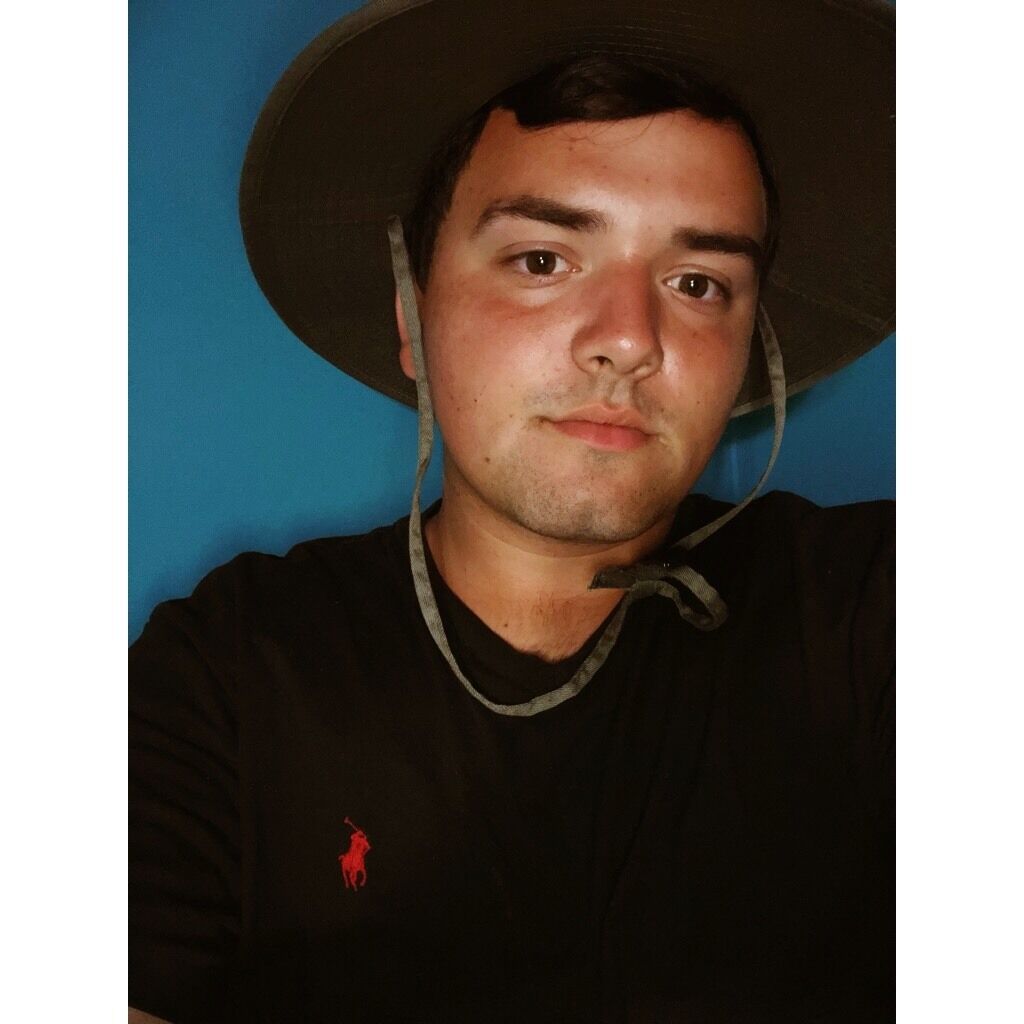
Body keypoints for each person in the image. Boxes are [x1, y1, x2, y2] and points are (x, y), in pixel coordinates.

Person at [129, 0, 895, 1021]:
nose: (630, 339)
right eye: (543, 260)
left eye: (697, 282)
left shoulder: (870, 610)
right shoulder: (226, 675)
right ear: (413, 318)